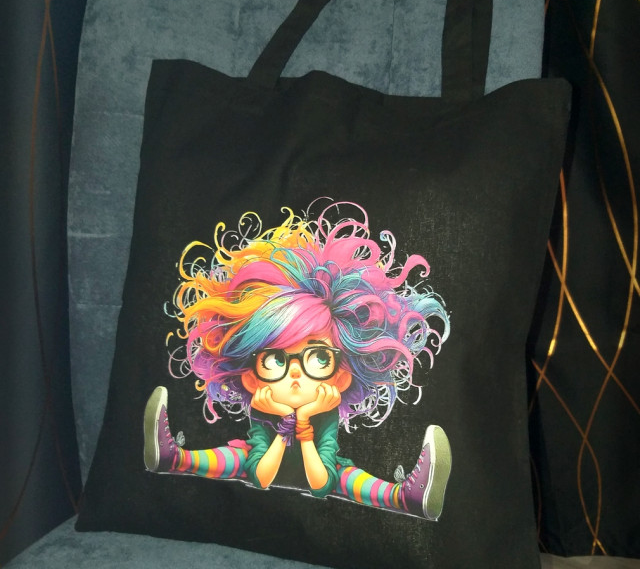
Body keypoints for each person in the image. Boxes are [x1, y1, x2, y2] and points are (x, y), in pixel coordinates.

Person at [144, 201, 452, 520]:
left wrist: (303, 423)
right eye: (275, 359)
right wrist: (283, 425)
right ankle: (176, 458)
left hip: (319, 469)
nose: (294, 372)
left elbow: (320, 484)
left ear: (341, 377)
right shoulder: (263, 408)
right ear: (251, 378)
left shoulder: (323, 413)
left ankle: (404, 497)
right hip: (264, 464)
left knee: (346, 477)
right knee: (238, 457)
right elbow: (261, 477)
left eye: (317, 357)